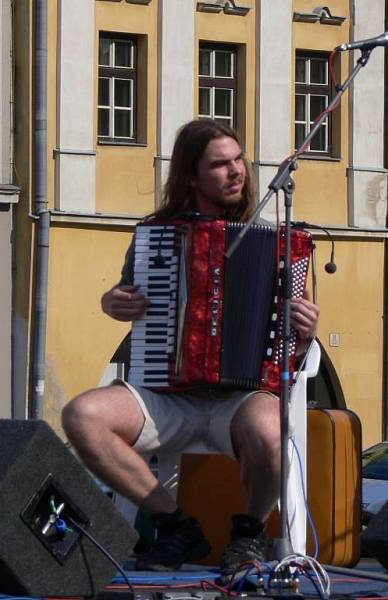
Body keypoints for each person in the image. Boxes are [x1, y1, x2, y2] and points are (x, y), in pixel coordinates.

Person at [62, 119, 319, 578]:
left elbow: (292, 353)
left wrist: (304, 331)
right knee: (81, 415)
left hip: (237, 402)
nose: (236, 171)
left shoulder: (279, 243)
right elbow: (125, 296)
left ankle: (248, 535)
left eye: (238, 159)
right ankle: (174, 523)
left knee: (272, 426)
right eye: (220, 164)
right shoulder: (157, 235)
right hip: (167, 394)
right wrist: (112, 301)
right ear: (191, 177)